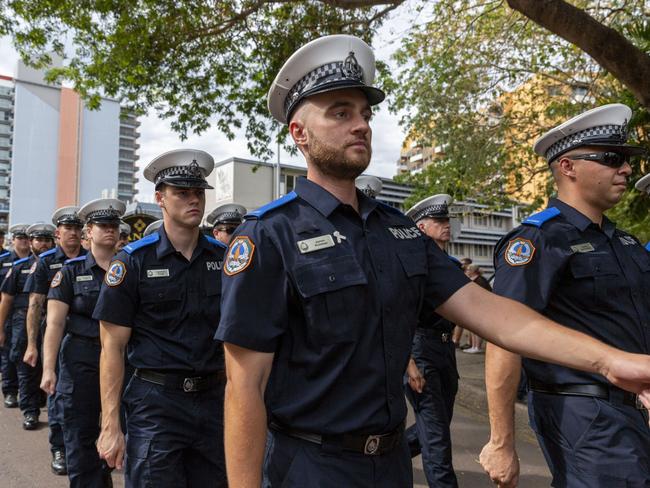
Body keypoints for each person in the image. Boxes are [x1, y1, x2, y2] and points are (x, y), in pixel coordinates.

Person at [215, 35, 650, 488]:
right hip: (307, 467)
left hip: (391, 464)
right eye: (340, 113)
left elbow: (499, 317)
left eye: (365, 114)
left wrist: (609, 360)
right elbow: (244, 387)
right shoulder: (269, 234)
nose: (361, 125)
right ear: (299, 134)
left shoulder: (396, 230)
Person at [479, 103, 649, 488]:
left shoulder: (623, 241)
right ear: (568, 167)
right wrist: (502, 442)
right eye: (612, 158)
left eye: (626, 160)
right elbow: (503, 337)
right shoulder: (539, 239)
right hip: (585, 412)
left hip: (633, 408)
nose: (626, 169)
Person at [93, 149, 228, 488]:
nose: (193, 200)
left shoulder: (224, 259)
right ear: (160, 198)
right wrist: (111, 425)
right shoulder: (134, 261)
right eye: (182, 192)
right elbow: (111, 346)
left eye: (198, 192)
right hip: (156, 404)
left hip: (215, 399)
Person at [41, 198, 126, 488]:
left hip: (123, 360)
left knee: (123, 432)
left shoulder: (129, 268)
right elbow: (54, 324)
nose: (110, 231)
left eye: (114, 225)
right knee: (80, 432)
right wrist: (48, 369)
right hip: (81, 359)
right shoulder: (70, 271)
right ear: (89, 231)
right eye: (103, 225)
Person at [403, 194, 461, 487]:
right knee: (437, 438)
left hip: (445, 349)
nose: (446, 225)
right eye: (439, 221)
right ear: (422, 228)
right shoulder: (413, 265)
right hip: (420, 348)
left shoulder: (450, 264)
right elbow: (400, 314)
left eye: (447, 220)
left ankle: (379, 460)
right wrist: (409, 363)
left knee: (435, 428)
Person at [23, 206, 86, 475]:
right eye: (68, 229)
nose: (73, 233)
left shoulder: (91, 258)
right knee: (58, 393)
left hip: (86, 339)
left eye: (77, 228)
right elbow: (35, 304)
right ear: (58, 233)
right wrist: (31, 344)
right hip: (56, 337)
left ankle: (84, 446)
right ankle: (59, 447)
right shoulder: (47, 261)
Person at [0, 222, 55, 430]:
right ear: (32, 243)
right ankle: (30, 411)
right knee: (26, 366)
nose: (43, 243)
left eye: (46, 240)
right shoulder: (19, 267)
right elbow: (6, 299)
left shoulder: (60, 264)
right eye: (38, 240)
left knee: (48, 365)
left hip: (52, 322)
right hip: (23, 321)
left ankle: (45, 403)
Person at [0, 225, 30, 409]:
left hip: (26, 314)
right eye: (20, 238)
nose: (24, 241)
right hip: (7, 313)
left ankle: (28, 392)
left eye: (27, 238)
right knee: (9, 355)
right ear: (14, 240)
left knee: (24, 356)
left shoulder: (36, 262)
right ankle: (10, 391)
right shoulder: (4, 260)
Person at [462, 264, 491, 354]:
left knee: (477, 329)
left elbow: (483, 295)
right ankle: (474, 346)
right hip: (474, 306)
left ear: (473, 271)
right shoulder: (473, 279)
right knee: (473, 329)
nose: (466, 271)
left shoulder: (480, 280)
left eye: (467, 270)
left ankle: (477, 347)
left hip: (481, 307)